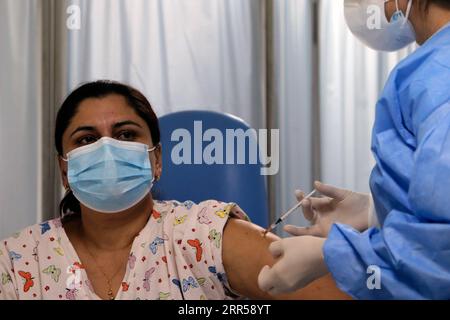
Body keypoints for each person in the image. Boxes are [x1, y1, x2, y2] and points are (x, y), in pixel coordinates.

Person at [0, 80, 348, 300]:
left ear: (157, 161)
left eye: (125, 135)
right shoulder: (18, 259)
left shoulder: (203, 233)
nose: (107, 150)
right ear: (65, 169)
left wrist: (355, 251)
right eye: (87, 139)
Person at [258, 0, 450, 299]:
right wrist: (373, 211)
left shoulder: (439, 78)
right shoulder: (432, 71)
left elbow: (442, 252)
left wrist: (332, 254)